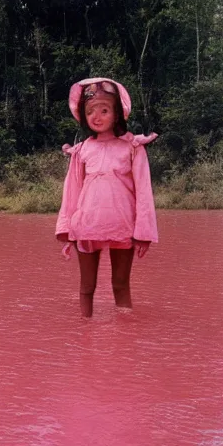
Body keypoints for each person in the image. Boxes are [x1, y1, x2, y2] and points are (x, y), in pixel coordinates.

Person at [56, 78, 159, 317]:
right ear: (83, 115)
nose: (97, 116)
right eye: (90, 110)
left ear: (117, 113)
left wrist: (143, 233)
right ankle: (85, 331)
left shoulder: (132, 147)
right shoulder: (81, 151)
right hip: (86, 226)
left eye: (104, 109)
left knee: (121, 285)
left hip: (123, 226)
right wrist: (66, 229)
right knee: (86, 288)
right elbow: (71, 192)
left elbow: (144, 192)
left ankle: (126, 336)